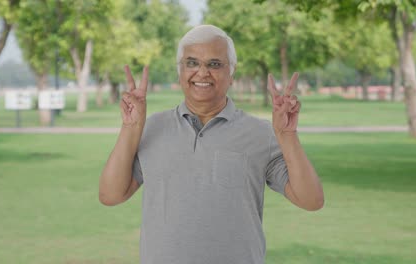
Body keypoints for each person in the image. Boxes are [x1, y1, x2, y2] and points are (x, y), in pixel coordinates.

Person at [99, 24, 324, 264]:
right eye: (192, 63)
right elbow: (111, 195)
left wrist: (287, 135)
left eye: (214, 64)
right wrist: (131, 128)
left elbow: (311, 200)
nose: (202, 73)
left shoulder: (261, 134)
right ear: (180, 72)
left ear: (232, 74)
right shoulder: (149, 128)